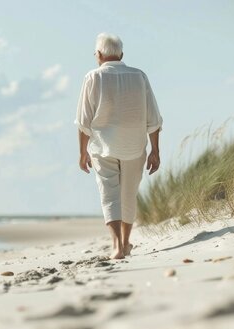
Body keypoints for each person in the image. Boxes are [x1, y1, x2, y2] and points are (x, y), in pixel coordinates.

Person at [74, 33, 163, 260]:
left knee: (110, 195)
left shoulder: (93, 77)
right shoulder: (139, 76)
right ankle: (125, 243)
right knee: (129, 194)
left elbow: (83, 121)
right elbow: (153, 117)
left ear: (99, 55)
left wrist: (82, 152)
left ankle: (116, 246)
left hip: (103, 146)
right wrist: (156, 151)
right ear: (121, 54)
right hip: (134, 145)